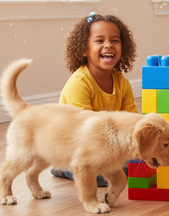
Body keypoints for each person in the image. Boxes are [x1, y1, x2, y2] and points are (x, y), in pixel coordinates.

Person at [51, 12, 138, 186]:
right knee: (103, 175)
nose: (108, 45)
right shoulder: (79, 83)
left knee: (138, 166)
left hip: (104, 148)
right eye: (99, 41)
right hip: (75, 149)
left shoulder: (122, 83)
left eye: (115, 40)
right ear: (84, 49)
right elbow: (86, 134)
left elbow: (133, 124)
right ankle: (61, 167)